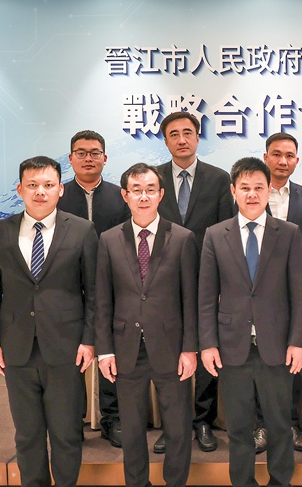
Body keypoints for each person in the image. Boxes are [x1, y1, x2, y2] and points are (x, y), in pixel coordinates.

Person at [0, 156, 97, 487]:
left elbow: (94, 293)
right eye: (32, 185)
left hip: (67, 348)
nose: (40, 191)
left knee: (66, 432)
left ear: (61, 189)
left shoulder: (83, 230)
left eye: (48, 185)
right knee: (27, 433)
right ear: (20, 189)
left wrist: (89, 340)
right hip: (16, 348)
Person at [199, 157, 302, 487]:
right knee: (239, 426)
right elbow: (206, 296)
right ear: (233, 191)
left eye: (258, 187)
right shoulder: (215, 234)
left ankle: (280, 481)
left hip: (277, 345)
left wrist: (298, 341)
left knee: (279, 425)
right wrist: (208, 344)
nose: (251, 194)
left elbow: (300, 294)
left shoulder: (288, 233)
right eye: (244, 187)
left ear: (268, 190)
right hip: (232, 346)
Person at [95, 163, 198, 487]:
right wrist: (104, 351)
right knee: (131, 429)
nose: (143, 196)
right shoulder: (109, 239)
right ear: (125, 195)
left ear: (161, 194)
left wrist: (190, 348)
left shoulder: (182, 238)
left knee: (178, 427)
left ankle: (175, 482)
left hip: (171, 348)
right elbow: (103, 300)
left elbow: (190, 299)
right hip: (126, 348)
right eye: (136, 190)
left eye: (150, 190)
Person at [155, 111, 235, 453]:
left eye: (188, 132)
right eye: (174, 134)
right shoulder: (154, 178)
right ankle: (173, 423)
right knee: (168, 350)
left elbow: (226, 232)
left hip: (207, 278)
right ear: (166, 141)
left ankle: (203, 420)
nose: (182, 139)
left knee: (205, 350)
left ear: (198, 137)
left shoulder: (218, 178)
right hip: (162, 280)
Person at [59, 129, 130, 447]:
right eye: (81, 153)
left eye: (94, 153)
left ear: (105, 158)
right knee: (69, 356)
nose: (88, 158)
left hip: (114, 286)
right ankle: (71, 420)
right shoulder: (58, 195)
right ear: (71, 158)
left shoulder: (120, 195)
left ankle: (113, 419)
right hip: (68, 287)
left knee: (110, 353)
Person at [254, 132, 302, 453]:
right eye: (276, 154)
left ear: (297, 161)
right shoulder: (250, 193)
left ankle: (290, 426)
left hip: (292, 291)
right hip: (254, 291)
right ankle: (261, 426)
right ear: (265, 158)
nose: (282, 161)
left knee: (292, 361)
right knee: (257, 361)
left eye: (289, 156)